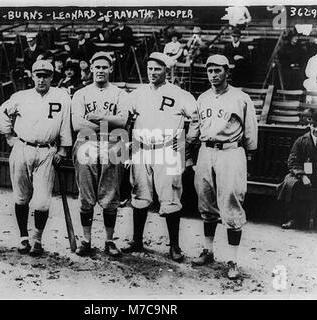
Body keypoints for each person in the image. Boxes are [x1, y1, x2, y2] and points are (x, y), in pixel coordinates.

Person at [121, 52, 198, 262]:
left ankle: (174, 246)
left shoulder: (179, 93)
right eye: (150, 69)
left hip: (168, 150)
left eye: (158, 69)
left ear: (167, 70)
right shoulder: (137, 94)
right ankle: (137, 240)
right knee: (139, 194)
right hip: (141, 148)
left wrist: (187, 142)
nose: (153, 73)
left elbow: (196, 119)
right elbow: (125, 119)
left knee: (171, 197)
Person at [186, 54, 258, 279]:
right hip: (206, 151)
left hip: (231, 151)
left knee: (231, 203)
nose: (214, 75)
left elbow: (250, 132)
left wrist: (249, 155)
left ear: (227, 72)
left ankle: (233, 260)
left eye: (218, 71)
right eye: (210, 71)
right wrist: (189, 149)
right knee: (206, 202)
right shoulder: (203, 97)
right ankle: (208, 250)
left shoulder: (240, 97)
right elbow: (194, 129)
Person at [0, 60, 72, 256]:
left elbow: (65, 124)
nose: (41, 79)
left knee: (42, 202)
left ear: (51, 77)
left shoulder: (62, 97)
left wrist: (63, 150)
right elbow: (3, 113)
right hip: (22, 147)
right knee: (21, 197)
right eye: (38, 75)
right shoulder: (21, 96)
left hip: (47, 151)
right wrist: (8, 137)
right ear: (32, 76)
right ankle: (23, 237)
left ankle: (37, 239)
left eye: (46, 75)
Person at [71, 52, 129, 257]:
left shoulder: (120, 94)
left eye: (105, 67)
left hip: (112, 144)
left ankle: (109, 241)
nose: (101, 70)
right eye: (97, 67)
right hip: (86, 142)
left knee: (110, 194)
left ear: (110, 69)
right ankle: (86, 241)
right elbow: (77, 124)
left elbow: (122, 122)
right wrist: (107, 122)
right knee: (86, 195)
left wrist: (96, 117)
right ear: (91, 69)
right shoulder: (81, 93)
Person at [277, 111, 317, 236]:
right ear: (310, 125)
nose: (316, 129)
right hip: (304, 175)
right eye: (314, 126)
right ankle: (293, 218)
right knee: (292, 183)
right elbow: (292, 161)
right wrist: (303, 175)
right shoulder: (301, 141)